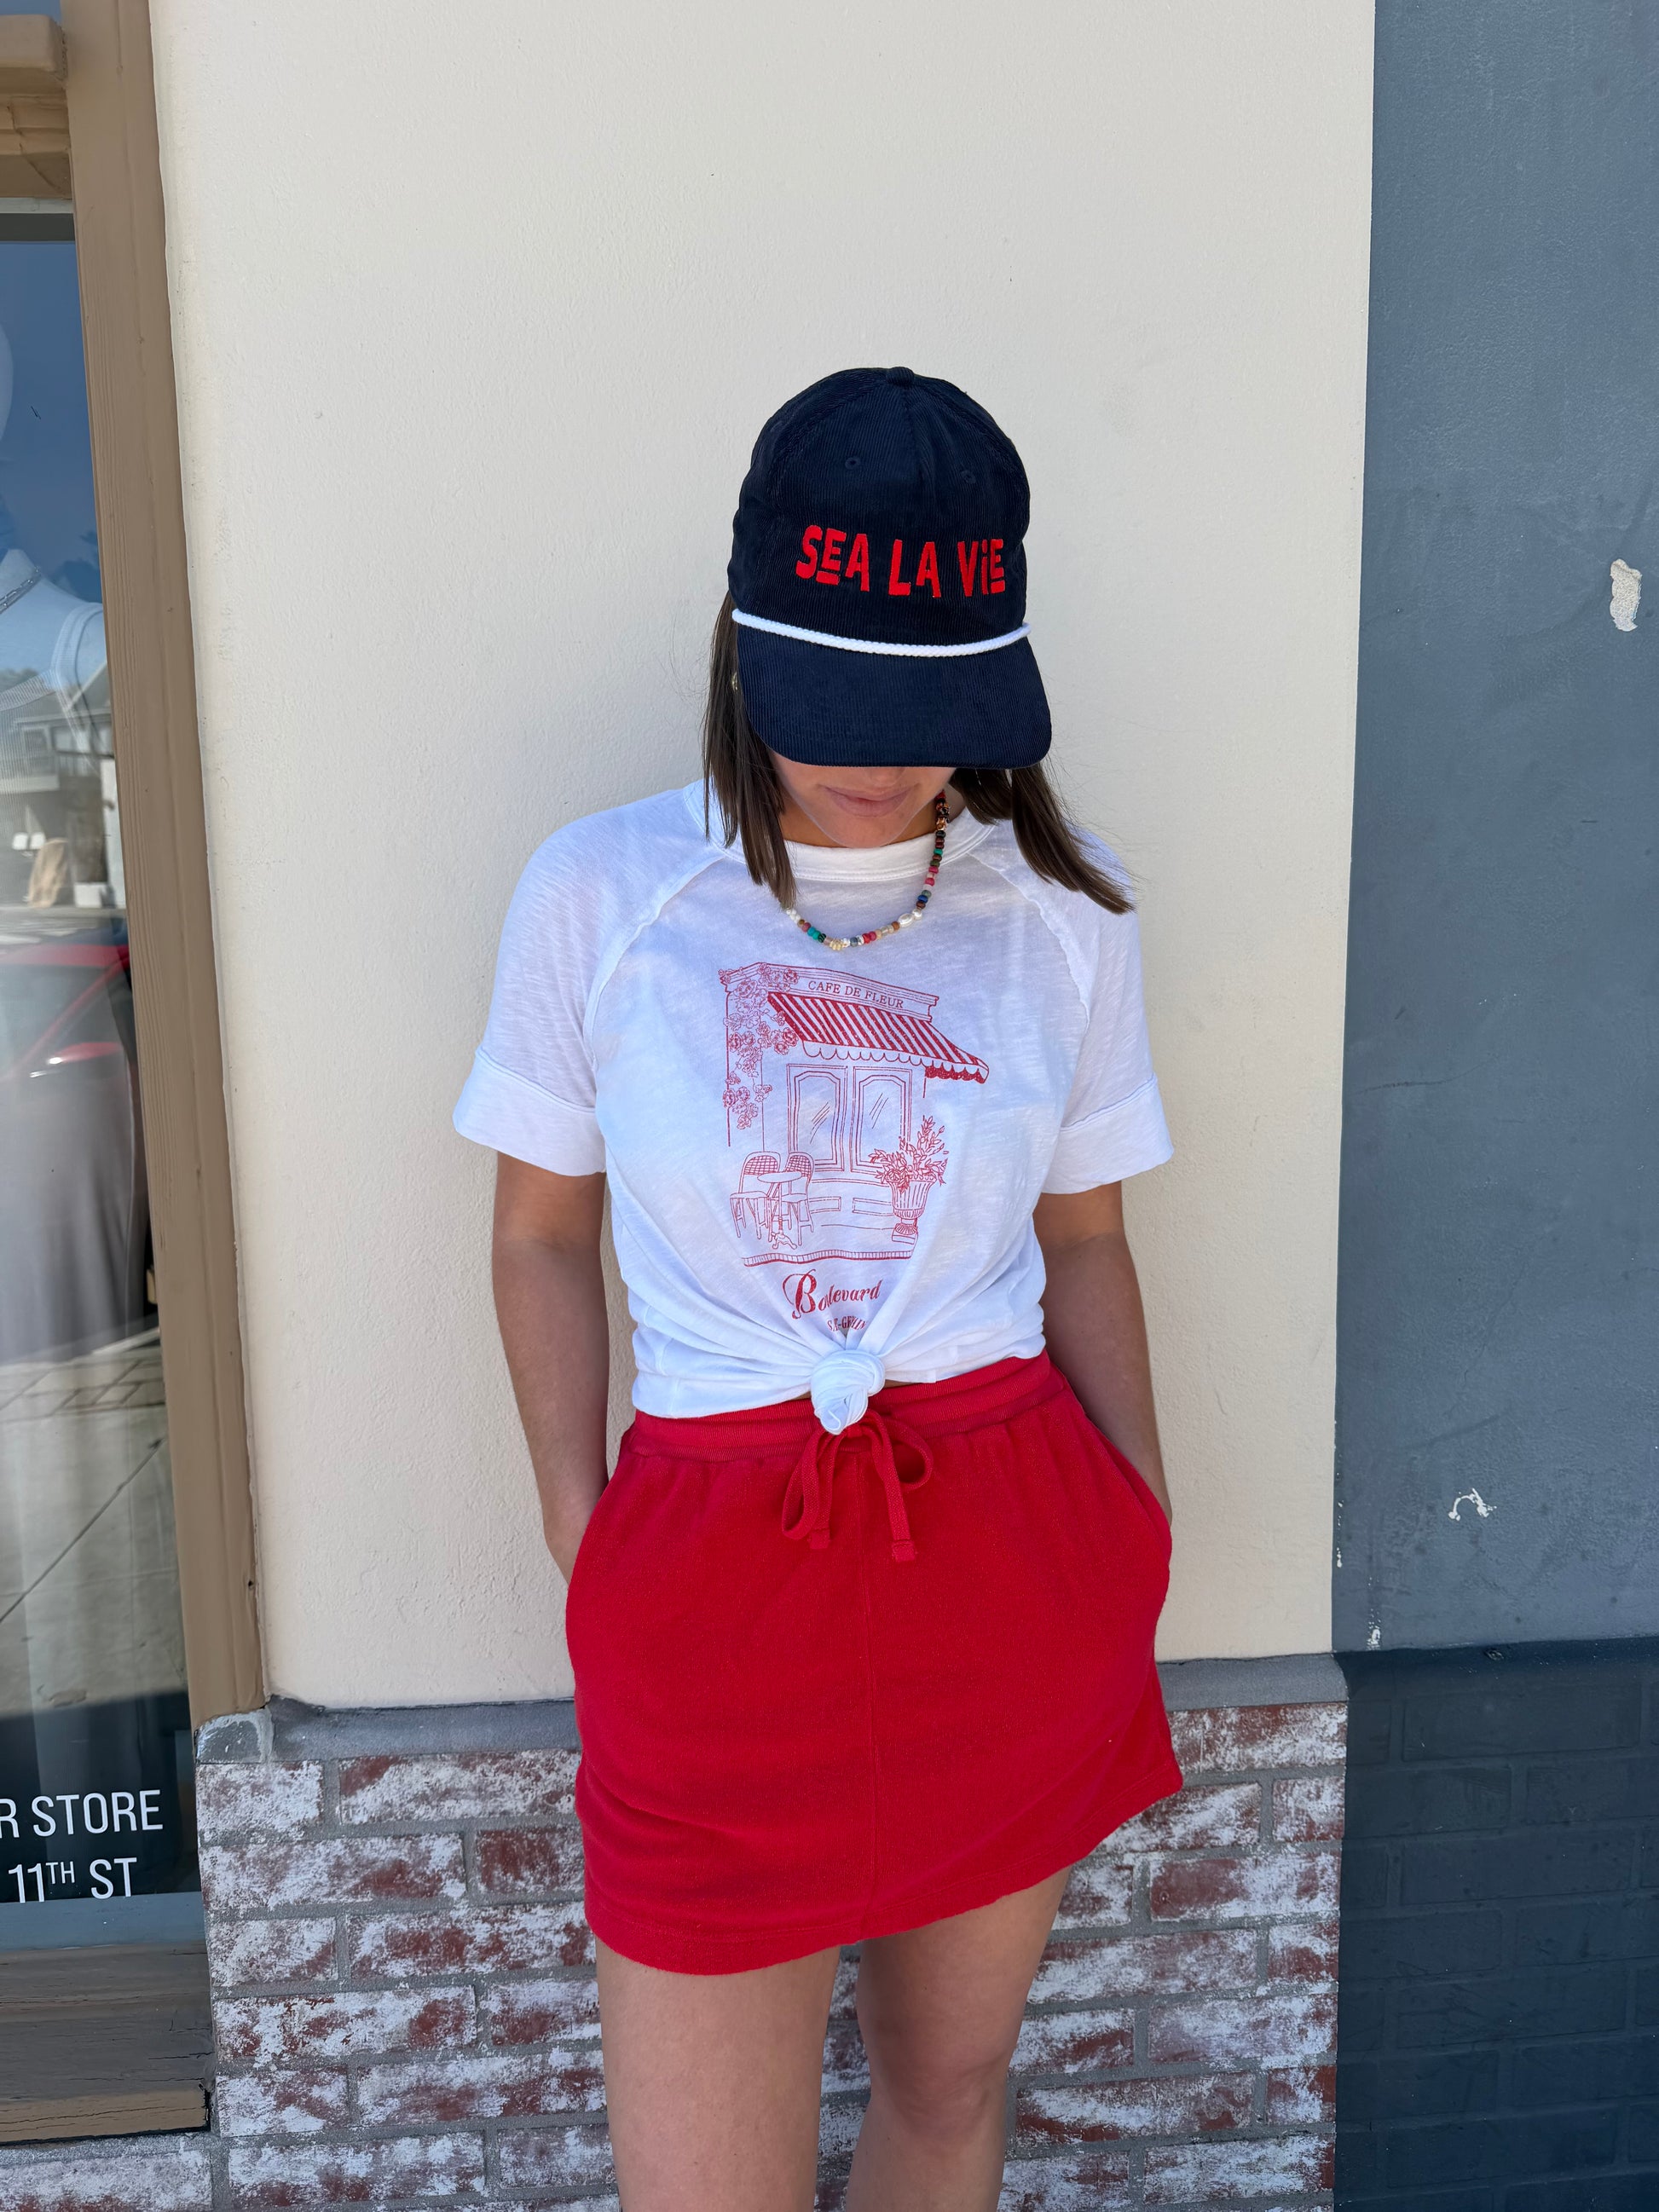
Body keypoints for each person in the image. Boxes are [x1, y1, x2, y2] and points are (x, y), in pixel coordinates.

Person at [455, 366, 1181, 2212]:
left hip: (1011, 1561)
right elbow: (536, 1231)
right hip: (709, 1582)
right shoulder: (600, 894)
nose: (885, 761)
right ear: (748, 647)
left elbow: (1087, 1240)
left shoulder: (1065, 920)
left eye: (933, 714)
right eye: (844, 705)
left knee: (947, 2088)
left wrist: (1134, 1526)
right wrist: (584, 1531)